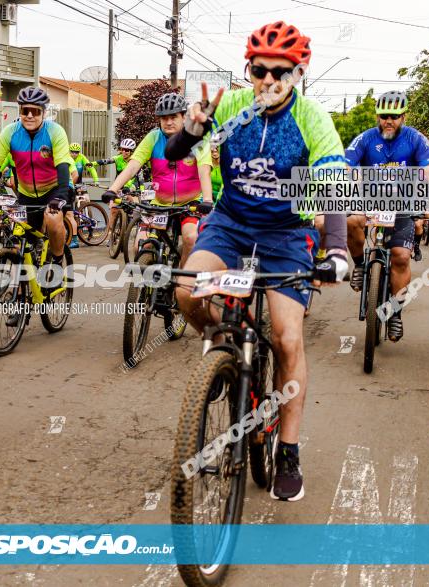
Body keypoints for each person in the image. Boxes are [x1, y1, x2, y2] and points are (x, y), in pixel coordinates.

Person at [165, 21, 350, 501]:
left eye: (279, 73)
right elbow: (173, 152)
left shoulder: (312, 118)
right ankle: (225, 355)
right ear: (249, 70)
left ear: (297, 74)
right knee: (186, 289)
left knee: (288, 338)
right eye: (258, 70)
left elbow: (334, 188)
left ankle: (288, 450)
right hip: (229, 224)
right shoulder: (229, 106)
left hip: (286, 232)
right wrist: (191, 130)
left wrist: (338, 249)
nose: (267, 81)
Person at [344, 90, 429, 341]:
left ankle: (395, 313)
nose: (389, 120)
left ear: (403, 116)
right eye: (384, 115)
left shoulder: (415, 139)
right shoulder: (365, 139)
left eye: (395, 116)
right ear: (378, 116)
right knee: (351, 221)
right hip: (369, 202)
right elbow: (345, 164)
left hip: (403, 205)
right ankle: (359, 265)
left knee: (400, 256)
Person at [101, 93, 214, 260]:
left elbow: (204, 170)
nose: (168, 122)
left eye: (173, 117)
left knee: (191, 237)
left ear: (184, 117)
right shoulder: (153, 137)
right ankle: (145, 284)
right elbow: (133, 166)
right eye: (163, 118)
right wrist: (113, 189)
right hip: (159, 204)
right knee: (141, 244)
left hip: (190, 204)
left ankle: (182, 282)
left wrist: (207, 200)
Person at [0, 86, 72, 262]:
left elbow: (62, 167)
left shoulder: (55, 131)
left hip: (53, 190)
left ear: (43, 113)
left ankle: (58, 260)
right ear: (20, 111)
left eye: (35, 111)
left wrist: (60, 195)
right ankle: (22, 286)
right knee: (21, 242)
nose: (30, 115)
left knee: (53, 220)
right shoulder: (10, 132)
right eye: (25, 110)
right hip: (26, 194)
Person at [94, 138, 138, 238]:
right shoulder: (118, 158)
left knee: (132, 204)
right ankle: (111, 235)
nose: (124, 152)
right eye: (122, 149)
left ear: (131, 151)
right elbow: (106, 161)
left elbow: (135, 178)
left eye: (127, 150)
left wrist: (129, 187)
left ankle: (130, 221)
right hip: (118, 187)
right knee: (113, 211)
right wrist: (92, 164)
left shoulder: (134, 162)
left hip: (131, 186)